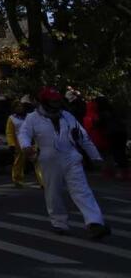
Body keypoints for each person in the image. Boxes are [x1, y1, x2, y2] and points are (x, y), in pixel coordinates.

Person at [18, 87, 110, 238]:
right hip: (48, 159)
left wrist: (96, 157)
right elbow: (24, 134)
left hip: (71, 156)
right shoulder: (32, 118)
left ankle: (95, 222)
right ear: (45, 102)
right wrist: (26, 147)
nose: (56, 104)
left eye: (57, 101)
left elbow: (83, 136)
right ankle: (59, 223)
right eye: (53, 101)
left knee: (82, 189)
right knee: (53, 191)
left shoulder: (67, 116)